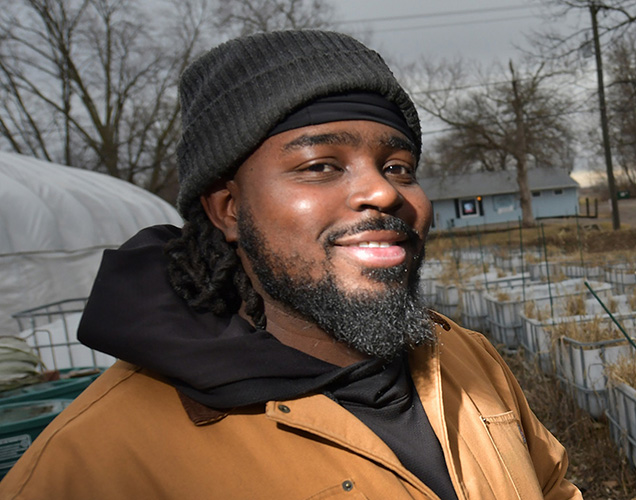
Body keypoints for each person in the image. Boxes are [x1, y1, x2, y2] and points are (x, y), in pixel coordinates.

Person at [0, 30, 582, 499]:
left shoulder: (462, 356)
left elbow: (553, 486)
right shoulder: (97, 464)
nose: (383, 193)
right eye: (321, 165)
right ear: (229, 210)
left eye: (399, 166)